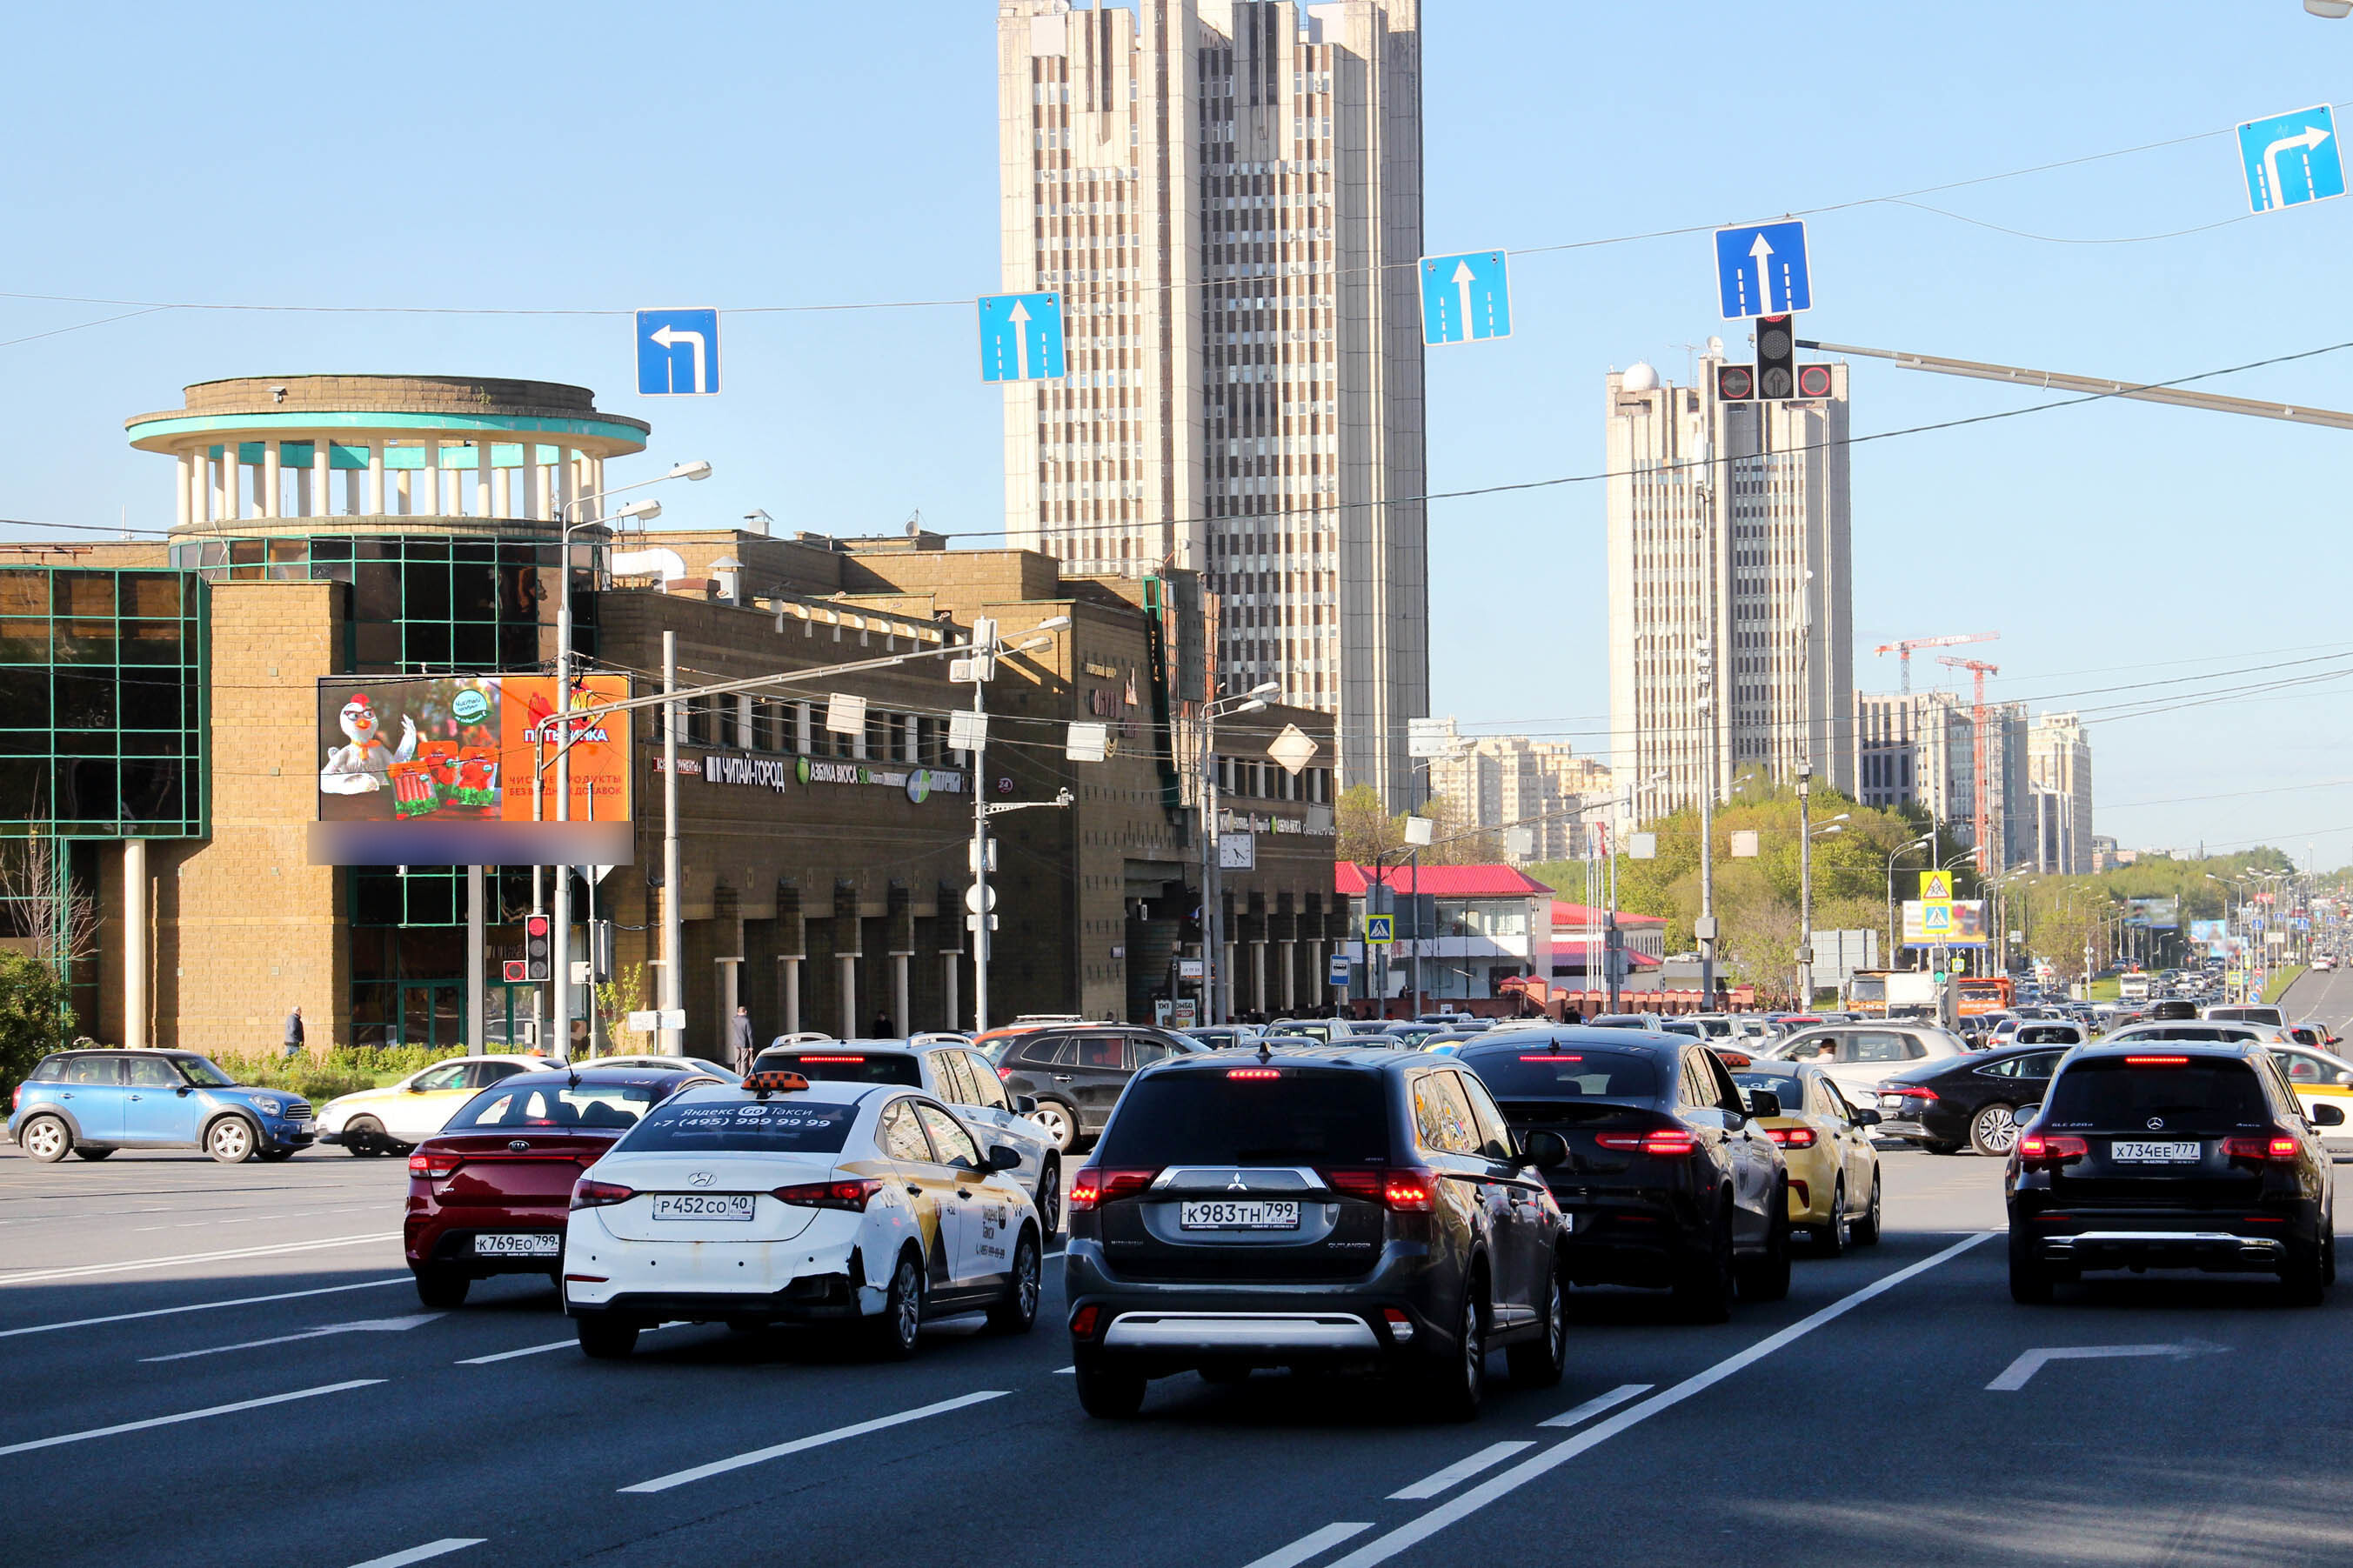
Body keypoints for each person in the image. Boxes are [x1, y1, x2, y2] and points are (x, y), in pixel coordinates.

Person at [730, 1005, 756, 1075]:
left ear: (738, 1012)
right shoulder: (747, 1021)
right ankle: (743, 1075)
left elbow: (736, 1017)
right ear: (746, 1012)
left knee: (737, 1060)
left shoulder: (734, 1019)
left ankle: (737, 1074)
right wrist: (751, 1046)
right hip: (744, 1043)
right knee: (744, 1060)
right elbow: (749, 1034)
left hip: (736, 1043)